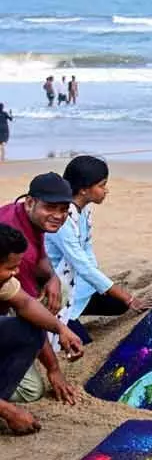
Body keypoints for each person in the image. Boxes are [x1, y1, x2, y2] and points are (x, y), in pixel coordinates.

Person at [46, 156, 150, 346]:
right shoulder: (62, 218)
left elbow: (87, 251)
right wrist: (129, 297)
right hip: (57, 288)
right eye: (102, 185)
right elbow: (82, 264)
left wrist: (109, 289)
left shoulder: (83, 209)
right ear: (84, 189)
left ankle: (78, 310)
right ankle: (60, 320)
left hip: (78, 283)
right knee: (82, 341)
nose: (106, 190)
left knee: (117, 305)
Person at [0, 173, 79, 406]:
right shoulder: (16, 260)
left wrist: (52, 277)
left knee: (57, 290)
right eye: (51, 208)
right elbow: (24, 309)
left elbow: (25, 301)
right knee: (31, 391)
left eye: (64, 209)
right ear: (31, 202)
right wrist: (53, 369)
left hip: (9, 298)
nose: (58, 216)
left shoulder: (24, 217)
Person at [0, 225, 85, 435]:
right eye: (10, 268)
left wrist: (60, 329)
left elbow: (26, 305)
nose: (16, 273)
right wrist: (9, 411)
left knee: (32, 327)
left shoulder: (4, 281)